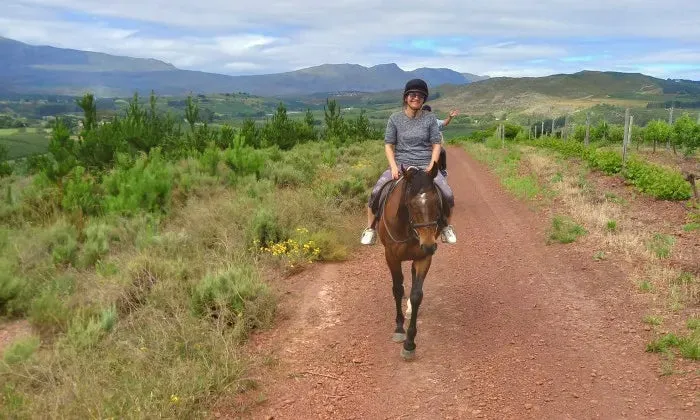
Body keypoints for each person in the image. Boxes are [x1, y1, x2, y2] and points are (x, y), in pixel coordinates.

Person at [360, 78, 457, 246]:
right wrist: (393, 167)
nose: (416, 97)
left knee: (447, 194)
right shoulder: (395, 119)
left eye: (420, 95)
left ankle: (447, 227)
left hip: (425, 165)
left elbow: (436, 144)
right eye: (412, 94)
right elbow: (389, 145)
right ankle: (371, 229)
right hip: (401, 165)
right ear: (406, 97)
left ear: (424, 99)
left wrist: (432, 167)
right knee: (376, 193)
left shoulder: (430, 118)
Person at [422, 105, 459, 177]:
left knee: (442, 151)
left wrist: (450, 117)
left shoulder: (435, 121)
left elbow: (444, 123)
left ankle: (442, 169)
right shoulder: (417, 122)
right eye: (424, 113)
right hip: (423, 145)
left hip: (433, 145)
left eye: (427, 113)